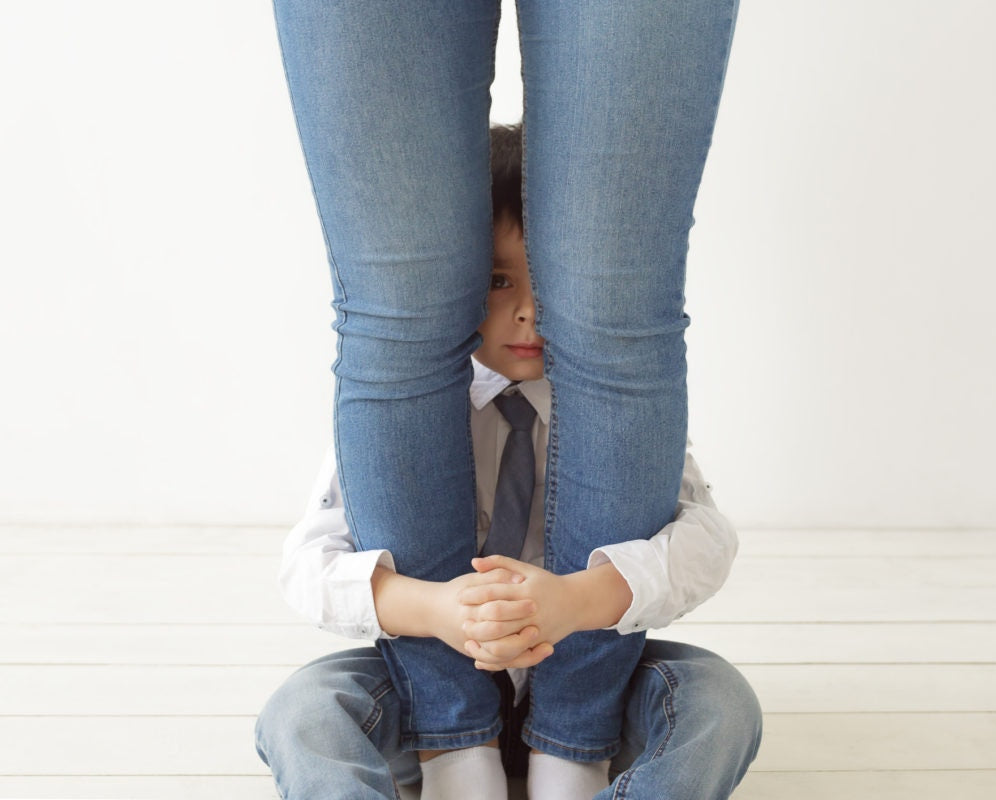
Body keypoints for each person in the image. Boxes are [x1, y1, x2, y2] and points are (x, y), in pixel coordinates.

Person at [269, 0, 743, 790]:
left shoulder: (605, 419)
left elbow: (706, 541)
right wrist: (433, 611)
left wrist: (583, 599)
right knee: (304, 712)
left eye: (543, 284)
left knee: (717, 703)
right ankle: (451, 752)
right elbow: (306, 565)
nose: (528, 312)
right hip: (419, 688)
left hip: (607, 673)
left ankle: (580, 759)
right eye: (498, 283)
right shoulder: (422, 417)